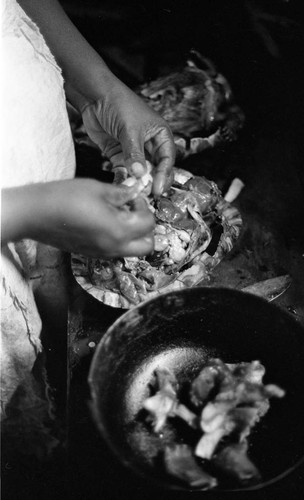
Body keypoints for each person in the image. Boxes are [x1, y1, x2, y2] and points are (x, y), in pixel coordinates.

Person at [1, 0, 175, 456]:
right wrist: (26, 211)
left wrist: (98, 92)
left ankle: (56, 407)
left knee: (47, 305)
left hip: (30, 158)